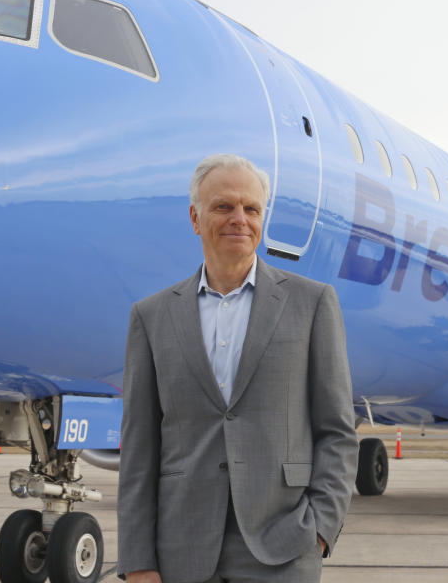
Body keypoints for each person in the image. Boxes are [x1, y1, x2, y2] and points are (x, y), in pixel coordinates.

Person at [117, 153, 358, 583]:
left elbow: (337, 432)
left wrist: (320, 529)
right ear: (195, 217)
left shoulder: (312, 304)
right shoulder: (151, 317)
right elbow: (139, 449)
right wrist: (137, 560)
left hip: (283, 547)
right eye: (223, 206)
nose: (239, 219)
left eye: (251, 208)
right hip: (180, 551)